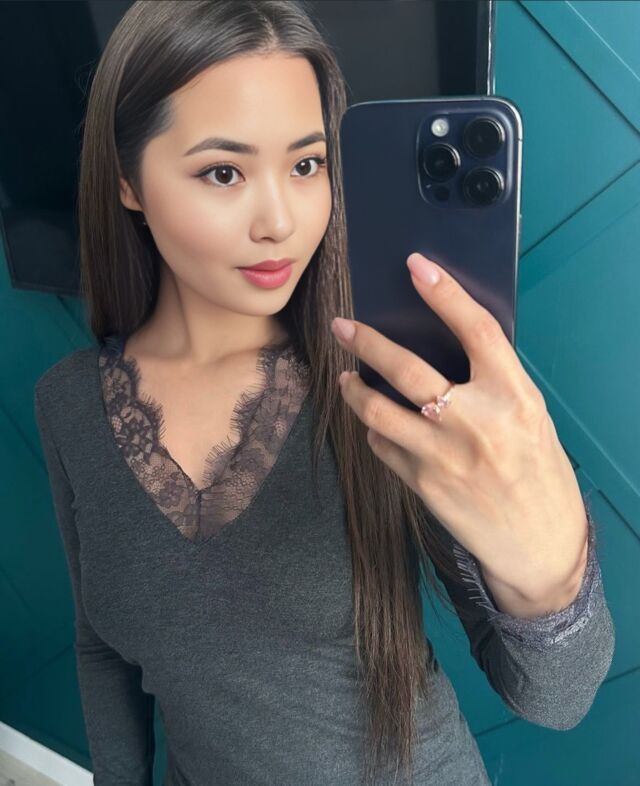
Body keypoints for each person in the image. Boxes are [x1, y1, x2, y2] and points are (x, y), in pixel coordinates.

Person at [33, 2, 614, 785]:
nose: (281, 221)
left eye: (307, 165)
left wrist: (548, 578)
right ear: (128, 182)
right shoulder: (68, 404)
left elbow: (555, 697)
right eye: (224, 172)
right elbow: (100, 648)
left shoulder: (384, 385)